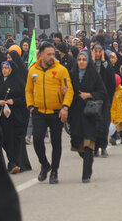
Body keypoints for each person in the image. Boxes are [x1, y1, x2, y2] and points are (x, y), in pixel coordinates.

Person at [25, 42, 73, 184]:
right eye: (49, 54)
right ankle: (45, 165)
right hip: (39, 111)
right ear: (41, 55)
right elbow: (28, 90)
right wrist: (30, 106)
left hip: (57, 111)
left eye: (53, 54)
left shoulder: (61, 70)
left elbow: (69, 90)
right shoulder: (33, 70)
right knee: (37, 140)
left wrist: (65, 107)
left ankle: (54, 171)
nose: (52, 57)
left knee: (56, 142)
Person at [68, 51, 107, 183]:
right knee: (78, 145)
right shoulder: (71, 74)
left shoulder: (94, 75)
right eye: (80, 59)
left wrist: (89, 95)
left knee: (88, 143)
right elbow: (68, 91)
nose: (82, 62)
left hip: (89, 114)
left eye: (84, 59)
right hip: (75, 115)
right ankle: (88, 161)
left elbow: (102, 92)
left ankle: (86, 174)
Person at [0, 59, 28, 174]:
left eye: (7, 68)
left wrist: (14, 101)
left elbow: (25, 99)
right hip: (2, 117)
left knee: (14, 140)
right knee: (5, 140)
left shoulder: (18, 82)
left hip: (15, 117)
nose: (4, 71)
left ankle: (14, 163)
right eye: (3, 68)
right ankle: (12, 162)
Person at [90, 45, 115, 157]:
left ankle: (103, 147)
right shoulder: (90, 64)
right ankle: (95, 148)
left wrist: (104, 61)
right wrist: (92, 61)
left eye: (100, 52)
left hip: (105, 98)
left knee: (104, 124)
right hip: (93, 98)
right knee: (94, 124)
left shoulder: (107, 64)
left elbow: (110, 78)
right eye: (96, 51)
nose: (98, 54)